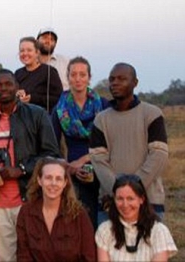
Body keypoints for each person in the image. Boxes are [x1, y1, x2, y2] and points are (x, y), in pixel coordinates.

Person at [0, 69, 60, 261]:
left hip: (30, 197)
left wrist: (21, 169)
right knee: (4, 257)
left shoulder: (37, 114)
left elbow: (52, 155)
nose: (3, 89)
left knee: (36, 254)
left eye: (8, 84)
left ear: (16, 86)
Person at [90, 63, 169, 224]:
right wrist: (118, 192)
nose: (115, 83)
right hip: (110, 203)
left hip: (148, 201)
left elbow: (158, 156)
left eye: (121, 79)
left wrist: (133, 189)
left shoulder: (152, 114)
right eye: (111, 79)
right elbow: (98, 161)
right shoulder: (101, 120)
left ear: (135, 82)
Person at [51, 56, 109, 228]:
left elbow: (111, 141)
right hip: (74, 171)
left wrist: (83, 160)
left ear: (89, 77)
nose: (78, 79)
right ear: (67, 77)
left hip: (103, 164)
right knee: (81, 220)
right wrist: (67, 166)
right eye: (73, 74)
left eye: (82, 75)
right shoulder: (60, 108)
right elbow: (52, 144)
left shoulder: (103, 105)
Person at [16, 157, 96, 261]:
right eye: (48, 178)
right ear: (39, 180)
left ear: (65, 183)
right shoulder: (26, 213)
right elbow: (23, 256)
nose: (53, 183)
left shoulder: (79, 214)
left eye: (58, 179)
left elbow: (89, 257)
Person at [95, 174, 177, 261]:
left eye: (130, 199)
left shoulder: (159, 231)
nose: (125, 205)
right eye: (120, 199)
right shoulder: (105, 230)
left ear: (141, 199)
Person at [15, 36, 63, 113]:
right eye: (22, 51)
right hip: (22, 118)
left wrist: (33, 98)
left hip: (45, 118)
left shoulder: (49, 71)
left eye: (29, 50)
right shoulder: (17, 73)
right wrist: (17, 94)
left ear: (37, 52)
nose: (25, 53)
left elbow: (59, 98)